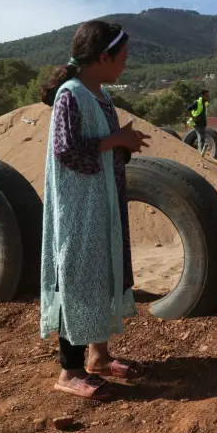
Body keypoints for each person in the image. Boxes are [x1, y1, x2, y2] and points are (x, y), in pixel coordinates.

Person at [40, 21, 150, 400]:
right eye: (121, 59)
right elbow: (66, 151)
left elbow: (101, 147)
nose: (124, 65)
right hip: (78, 209)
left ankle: (98, 357)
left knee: (101, 273)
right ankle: (69, 371)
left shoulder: (100, 95)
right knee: (78, 278)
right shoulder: (70, 95)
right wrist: (114, 140)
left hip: (103, 201)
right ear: (102, 58)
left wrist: (124, 144)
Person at [186, 89, 210, 155]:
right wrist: (193, 118)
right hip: (197, 123)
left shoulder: (204, 104)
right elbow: (188, 109)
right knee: (201, 139)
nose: (207, 97)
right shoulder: (197, 103)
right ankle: (200, 155)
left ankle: (201, 154)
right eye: (206, 95)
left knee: (202, 139)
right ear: (202, 95)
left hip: (203, 124)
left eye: (208, 95)